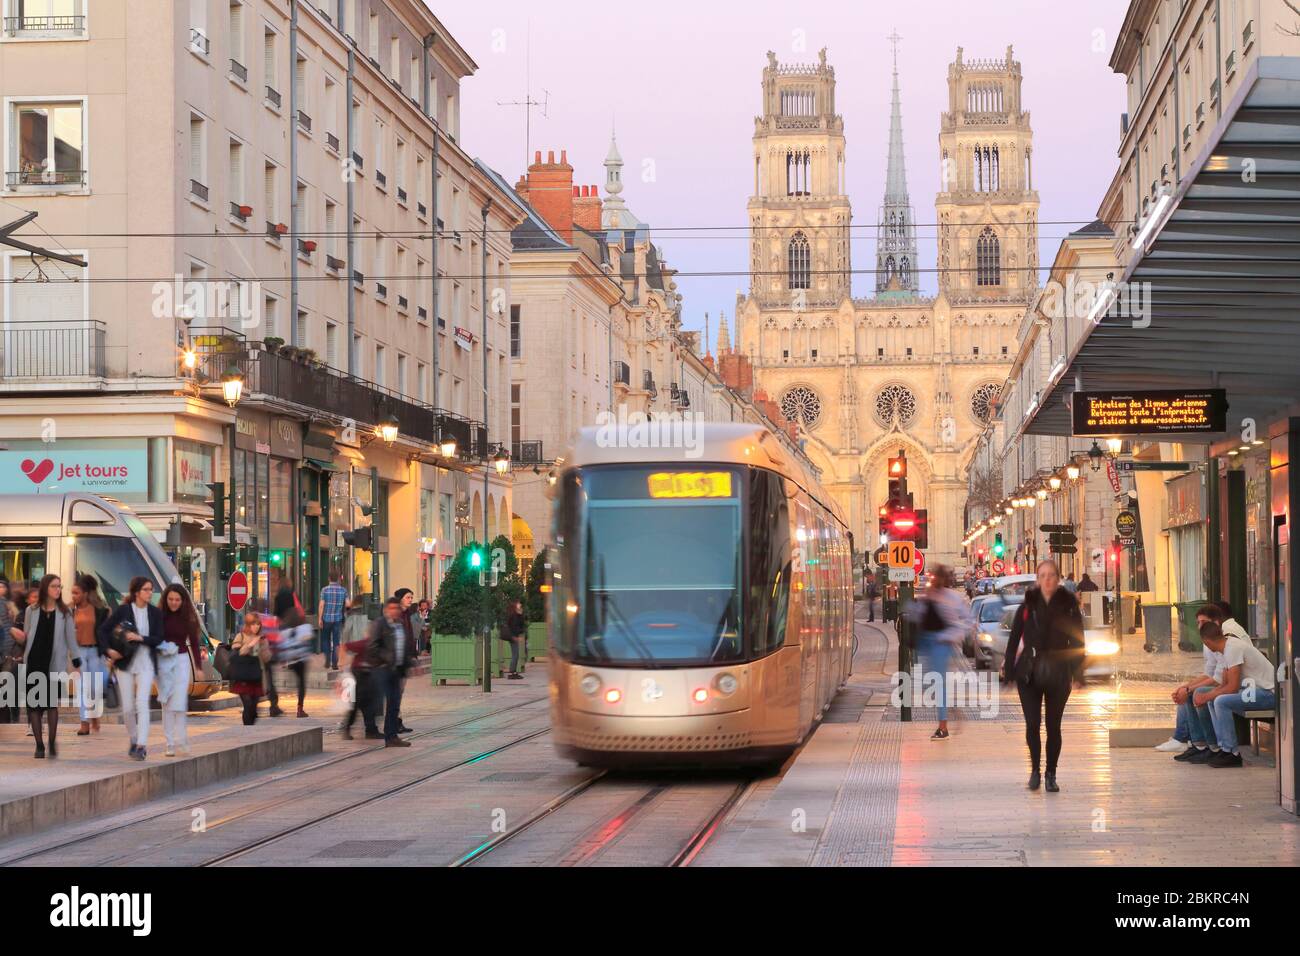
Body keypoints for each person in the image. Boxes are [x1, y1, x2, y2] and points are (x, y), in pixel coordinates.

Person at [1003, 560, 1086, 792]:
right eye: (1043, 576)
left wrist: (1078, 673)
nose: (1047, 580)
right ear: (1037, 580)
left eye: (1051, 575)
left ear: (1058, 579)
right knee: (1032, 724)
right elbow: (1014, 640)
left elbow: (1078, 641)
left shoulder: (1069, 606)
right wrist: (1009, 671)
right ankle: (1035, 770)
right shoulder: (1027, 606)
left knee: (1053, 725)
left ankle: (1051, 773)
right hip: (1029, 673)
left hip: (1058, 672)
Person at [1175, 620, 1277, 767]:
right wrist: (1204, 695)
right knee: (1207, 694)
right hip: (1251, 691)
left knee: (1220, 701)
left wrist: (1207, 696)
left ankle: (1232, 753)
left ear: (1207, 642)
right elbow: (1224, 684)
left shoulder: (1233, 648)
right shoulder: (1225, 649)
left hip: (1267, 693)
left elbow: (1232, 688)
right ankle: (1220, 747)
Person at [12, 574, 81, 758]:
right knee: (33, 706)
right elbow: (27, 635)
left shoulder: (65, 613)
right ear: (45, 588)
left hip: (54, 664)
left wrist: (76, 661)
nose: (58, 589)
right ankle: (39, 745)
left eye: (59, 586)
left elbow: (71, 639)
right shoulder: (31, 610)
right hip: (34, 661)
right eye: (54, 586)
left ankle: (51, 741)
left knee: (51, 705)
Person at [906, 565, 972, 741]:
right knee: (927, 686)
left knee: (938, 684)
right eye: (932, 577)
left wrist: (951, 636)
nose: (932, 579)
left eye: (935, 577)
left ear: (942, 579)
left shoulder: (952, 598)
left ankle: (943, 727)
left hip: (941, 644)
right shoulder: (927, 596)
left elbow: (968, 620)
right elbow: (918, 616)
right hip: (925, 643)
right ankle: (949, 711)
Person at [99, 577, 163, 760]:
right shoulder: (123, 611)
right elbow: (103, 630)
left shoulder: (155, 614)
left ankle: (142, 745)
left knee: (142, 703)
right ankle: (134, 739)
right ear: (136, 592)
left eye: (151, 589)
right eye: (146, 589)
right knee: (127, 708)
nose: (150, 593)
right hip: (125, 662)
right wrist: (108, 651)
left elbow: (159, 638)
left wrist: (140, 638)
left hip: (146, 663)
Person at [1155, 604, 1226, 753]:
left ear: (1216, 623)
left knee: (1197, 692)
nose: (1200, 626)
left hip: (1236, 685)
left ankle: (1207, 745)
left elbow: (1217, 679)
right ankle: (1191, 741)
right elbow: (1209, 674)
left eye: (1204, 622)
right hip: (1224, 682)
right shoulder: (1209, 642)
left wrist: (1188, 689)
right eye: (1198, 623)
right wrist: (1184, 687)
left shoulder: (1223, 640)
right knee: (1189, 691)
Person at [158, 584, 205, 756]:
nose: (174, 603)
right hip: (164, 661)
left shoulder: (188, 619)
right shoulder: (160, 617)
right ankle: (169, 743)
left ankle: (182, 739)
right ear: (165, 599)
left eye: (177, 600)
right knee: (167, 703)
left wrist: (199, 667)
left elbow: (194, 643)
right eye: (170, 599)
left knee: (179, 702)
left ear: (183, 601)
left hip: (182, 661)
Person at [369, 596, 414, 747]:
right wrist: (387, 657)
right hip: (383, 669)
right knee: (379, 701)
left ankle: (391, 736)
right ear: (386, 610)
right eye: (393, 608)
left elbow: (403, 647)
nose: (396, 611)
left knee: (394, 703)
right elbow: (373, 646)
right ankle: (372, 729)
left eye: (397, 609)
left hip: (397, 669)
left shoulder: (400, 625)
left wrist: (408, 663)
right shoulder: (380, 624)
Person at [70, 574, 110, 736]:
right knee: (82, 688)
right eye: (72, 593)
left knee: (95, 688)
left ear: (85, 594)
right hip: (79, 651)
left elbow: (106, 631)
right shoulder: (70, 610)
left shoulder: (99, 610)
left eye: (76, 593)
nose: (73, 596)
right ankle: (84, 723)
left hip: (95, 652)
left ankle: (94, 716)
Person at [273, 586, 311, 718]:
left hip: (291, 658)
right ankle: (300, 708)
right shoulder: (304, 627)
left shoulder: (284, 630)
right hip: (301, 659)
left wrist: (283, 659)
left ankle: (280, 700)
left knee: (296, 680)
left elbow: (282, 644)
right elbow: (308, 638)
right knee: (301, 683)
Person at [340, 623, 382, 740]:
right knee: (358, 703)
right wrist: (341, 664)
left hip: (368, 675)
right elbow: (344, 646)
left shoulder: (376, 644)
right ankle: (361, 729)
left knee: (367, 703)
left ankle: (370, 729)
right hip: (359, 675)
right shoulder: (366, 643)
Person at [230, 611, 271, 725]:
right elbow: (238, 652)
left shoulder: (262, 638)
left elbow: (267, 658)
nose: (256, 627)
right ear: (248, 624)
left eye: (258, 624)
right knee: (247, 704)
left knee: (253, 706)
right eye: (253, 624)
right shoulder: (241, 636)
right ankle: (247, 728)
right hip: (243, 675)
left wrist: (263, 646)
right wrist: (250, 644)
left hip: (256, 675)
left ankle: (250, 727)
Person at [0, 576, 22, 724]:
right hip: (5, 648)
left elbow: (14, 627)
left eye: (2, 586)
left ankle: (10, 717)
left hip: (8, 649)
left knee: (7, 684)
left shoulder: (10, 605)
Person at [317, 571, 348, 671]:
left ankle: (327, 659)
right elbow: (348, 604)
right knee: (336, 642)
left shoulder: (324, 590)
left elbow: (321, 605)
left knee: (325, 639)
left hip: (326, 619)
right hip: (338, 619)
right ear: (339, 578)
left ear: (329, 578)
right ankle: (335, 663)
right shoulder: (343, 590)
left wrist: (320, 618)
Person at [502, 599, 526, 679]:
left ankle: (513, 672)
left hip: (514, 636)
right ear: (515, 605)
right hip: (513, 637)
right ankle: (512, 672)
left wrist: (520, 614)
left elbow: (520, 624)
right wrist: (516, 637)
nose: (520, 604)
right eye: (518, 603)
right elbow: (515, 627)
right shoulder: (513, 615)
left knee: (515, 654)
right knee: (515, 655)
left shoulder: (516, 614)